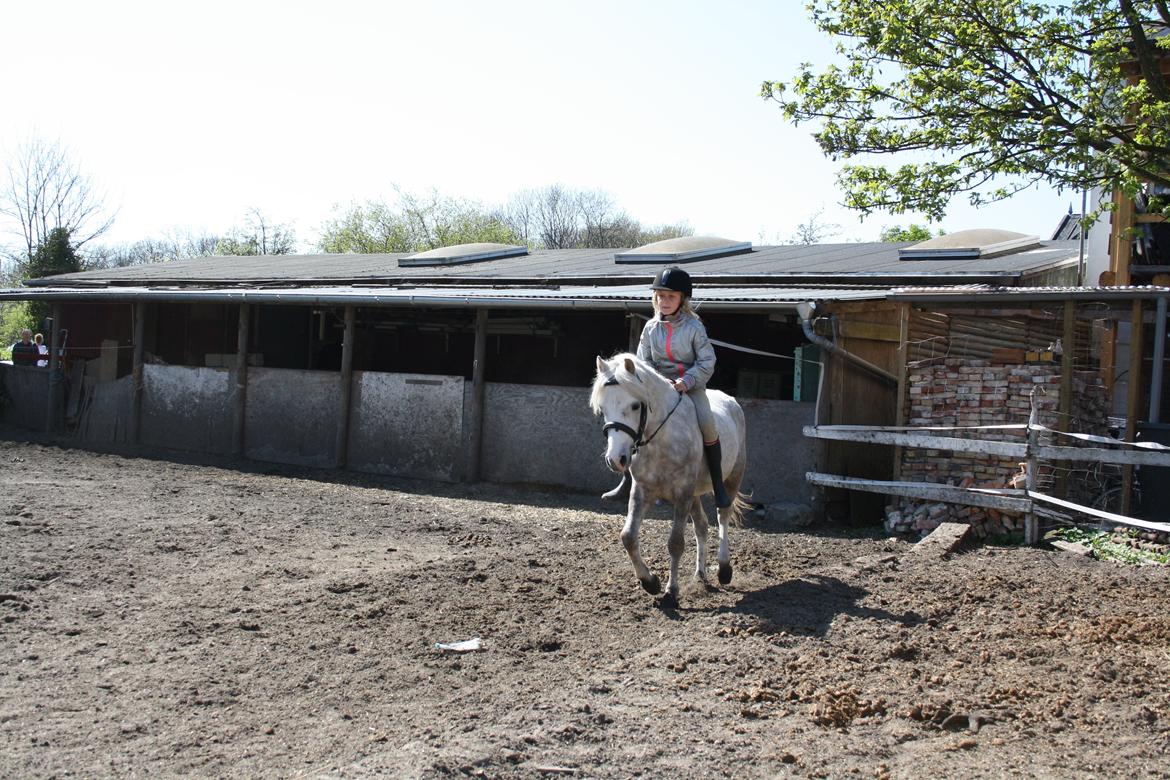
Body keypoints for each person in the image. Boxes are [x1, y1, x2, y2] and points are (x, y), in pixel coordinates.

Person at [602, 266, 732, 508]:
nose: (664, 301)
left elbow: (707, 361)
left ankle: (718, 483)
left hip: (690, 387)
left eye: (671, 296)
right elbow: (643, 362)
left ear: (682, 299)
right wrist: (655, 383)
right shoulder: (651, 328)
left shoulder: (694, 327)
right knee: (630, 421)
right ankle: (627, 479)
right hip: (658, 391)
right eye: (661, 296)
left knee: (708, 424)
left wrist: (686, 381)